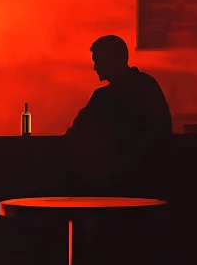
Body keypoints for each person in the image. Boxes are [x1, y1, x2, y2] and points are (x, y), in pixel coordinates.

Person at [65, 35, 172, 180]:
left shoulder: (102, 97)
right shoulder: (147, 85)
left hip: (115, 177)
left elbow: (76, 131)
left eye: (98, 61)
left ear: (111, 60)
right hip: (151, 174)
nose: (95, 67)